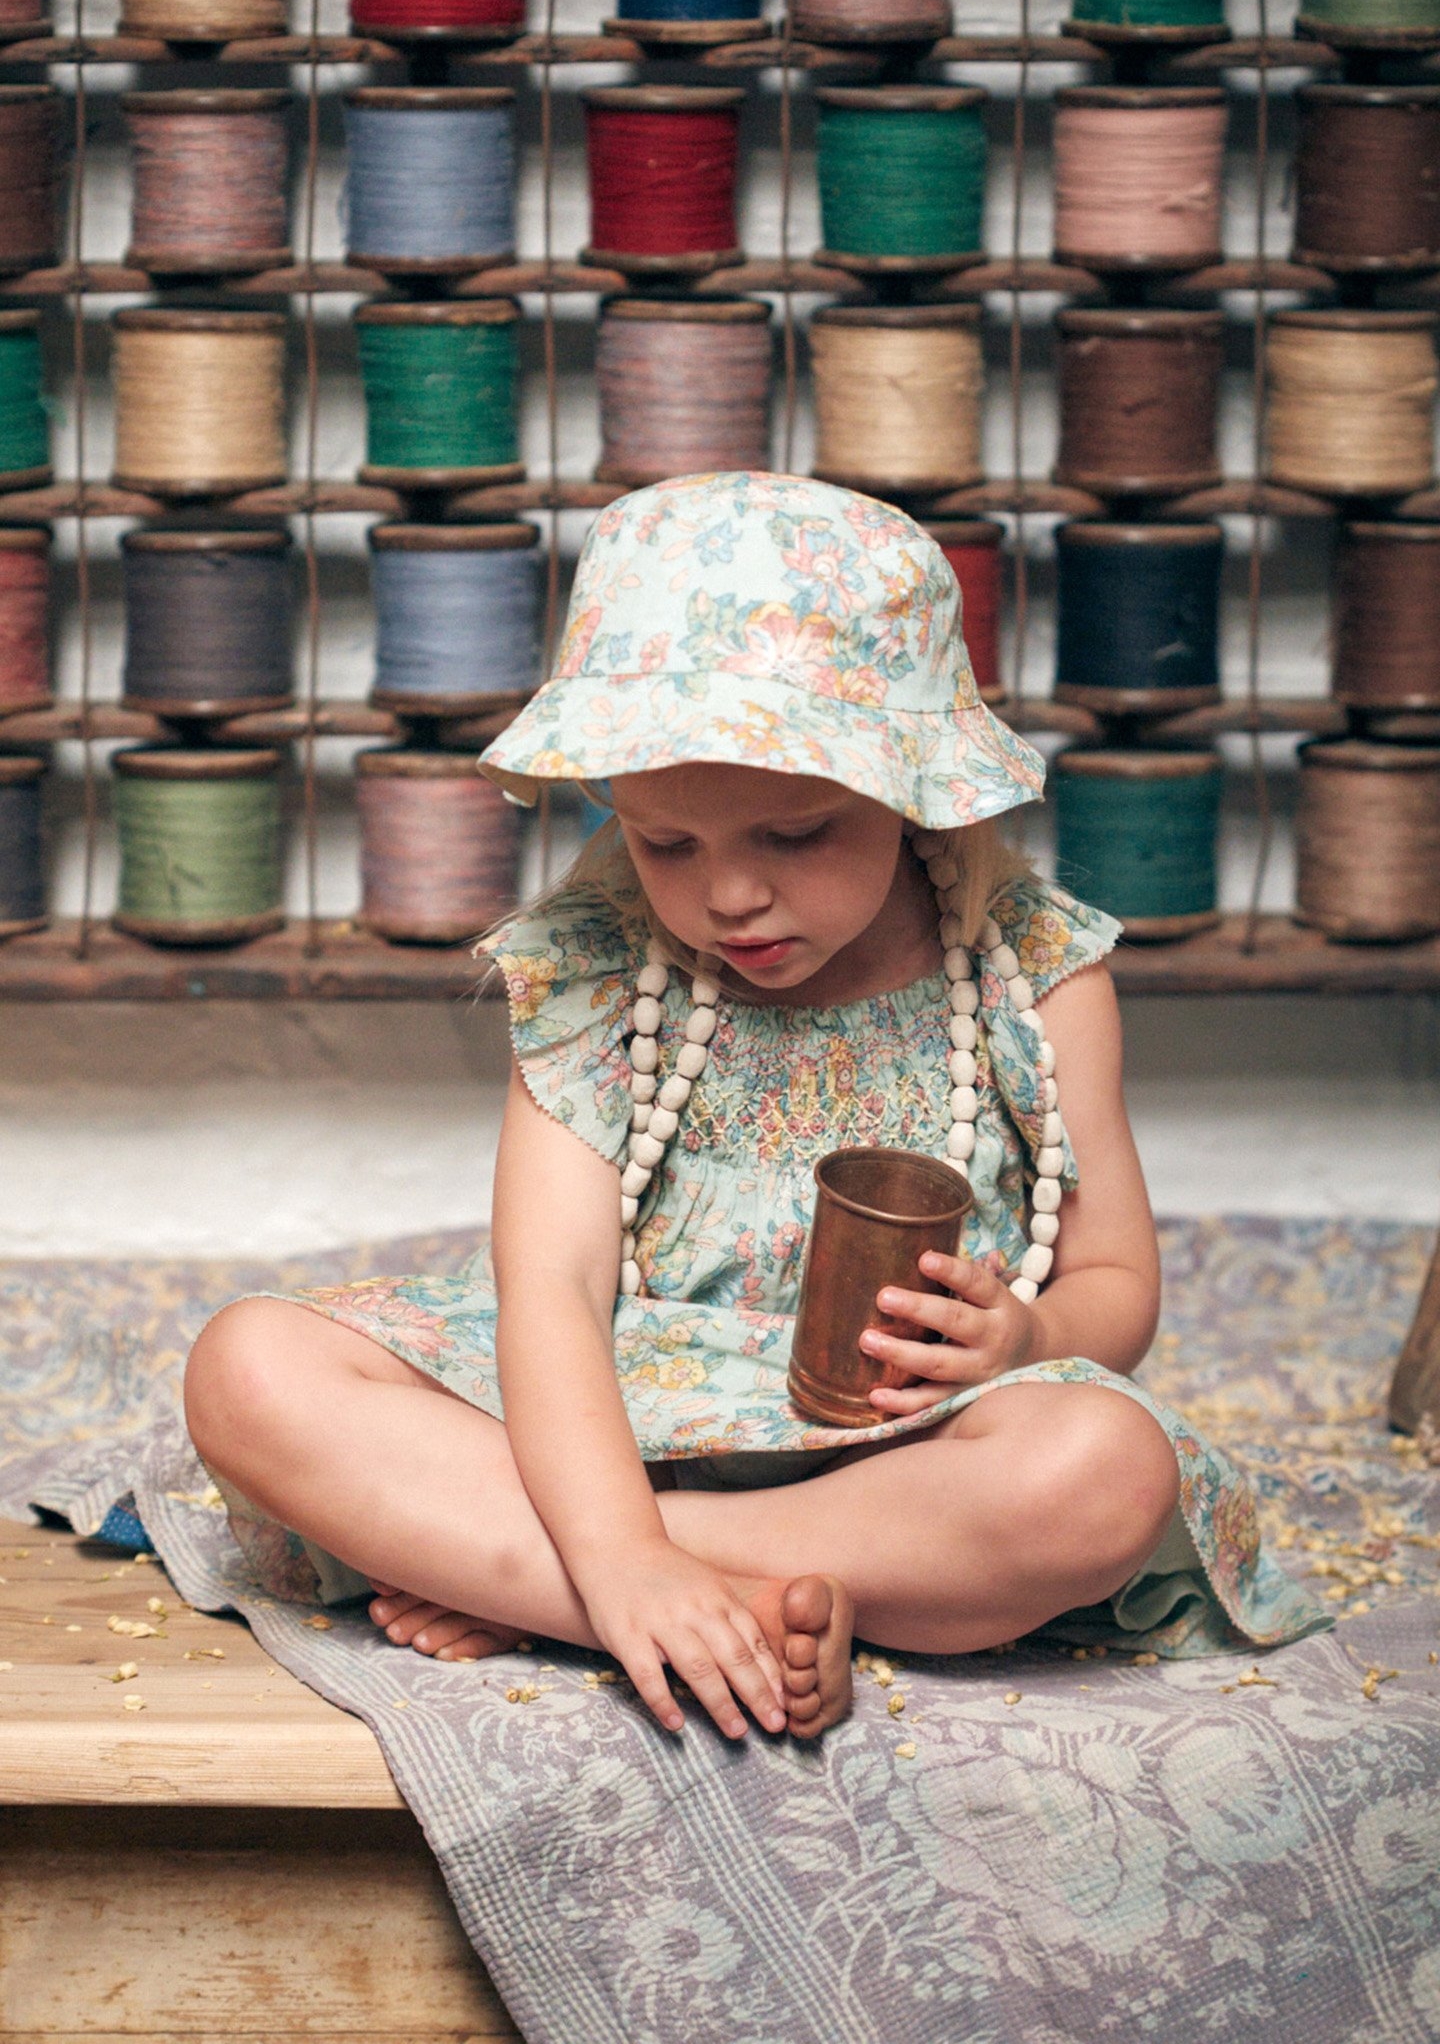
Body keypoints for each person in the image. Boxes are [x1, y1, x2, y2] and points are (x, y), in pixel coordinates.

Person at [185, 470, 1325, 1746]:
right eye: (668, 844)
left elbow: (1116, 1275)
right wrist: (614, 1534)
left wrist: (1028, 1336)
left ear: (911, 789)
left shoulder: (1029, 973)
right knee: (249, 1367)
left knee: (1105, 1470)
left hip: (905, 1460)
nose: (729, 897)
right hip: (620, 1420)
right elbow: (551, 1291)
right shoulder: (596, 968)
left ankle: (555, 1576)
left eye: (795, 833)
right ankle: (683, 1586)